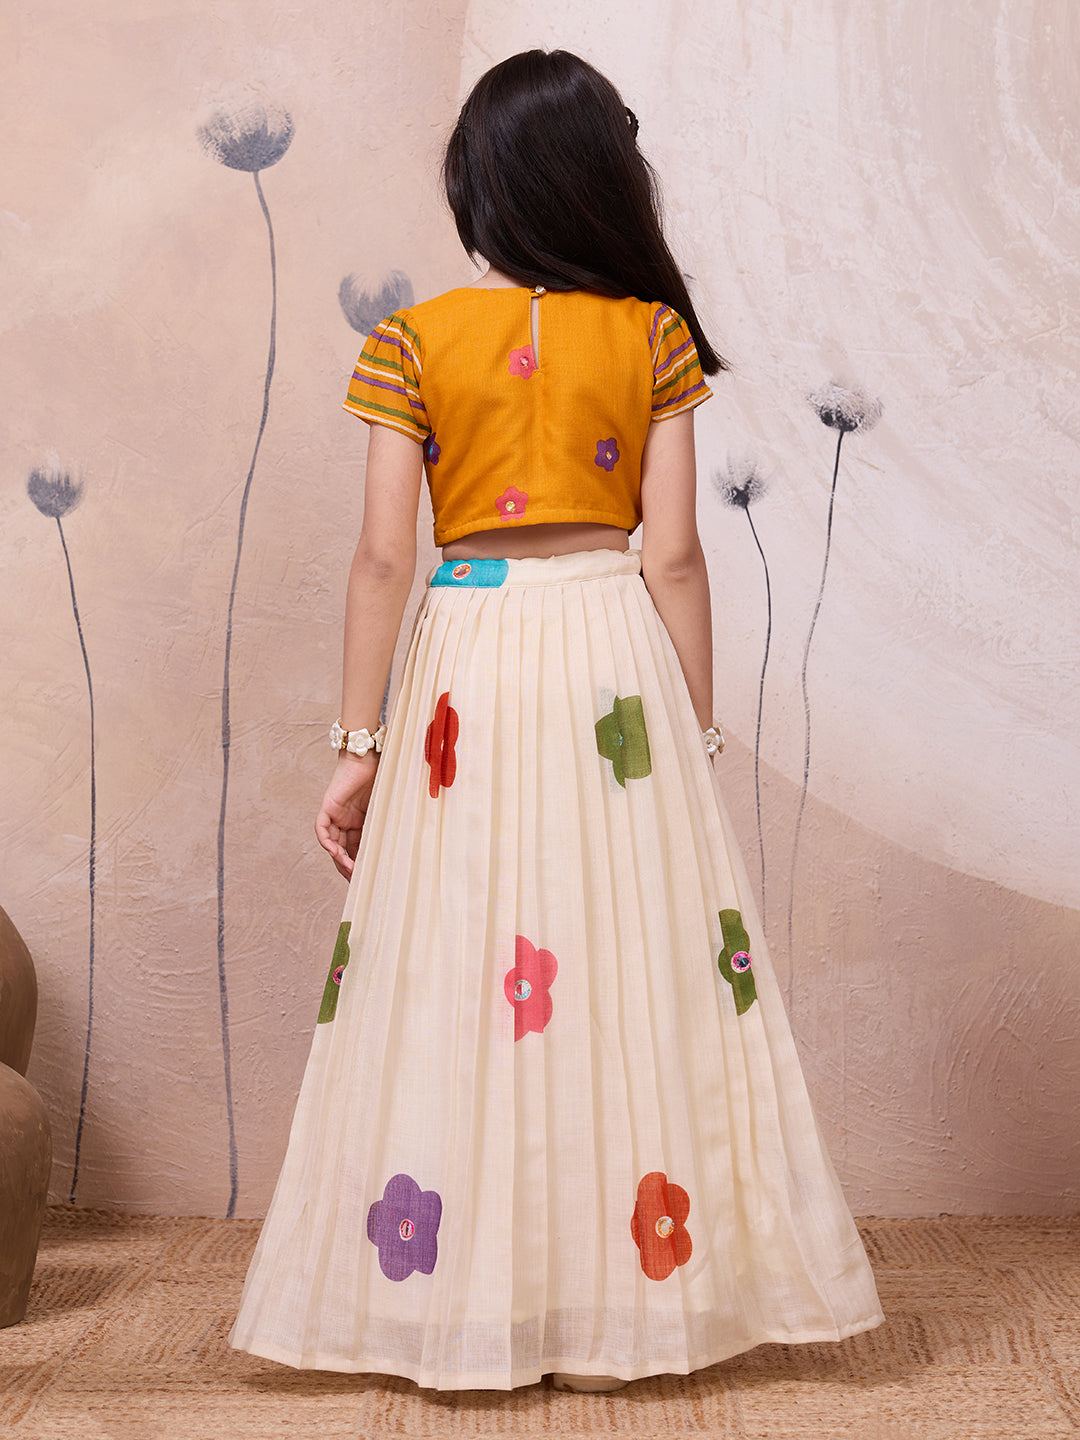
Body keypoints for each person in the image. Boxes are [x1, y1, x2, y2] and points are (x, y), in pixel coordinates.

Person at [228, 48, 884, 1393]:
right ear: (600, 183)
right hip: (610, 661)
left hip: (463, 664)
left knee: (466, 956)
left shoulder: (412, 342)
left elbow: (381, 559)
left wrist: (356, 747)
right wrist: (694, 733)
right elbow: (676, 557)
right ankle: (618, 1302)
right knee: (623, 956)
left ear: (478, 185)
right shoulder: (650, 338)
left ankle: (473, 1299)